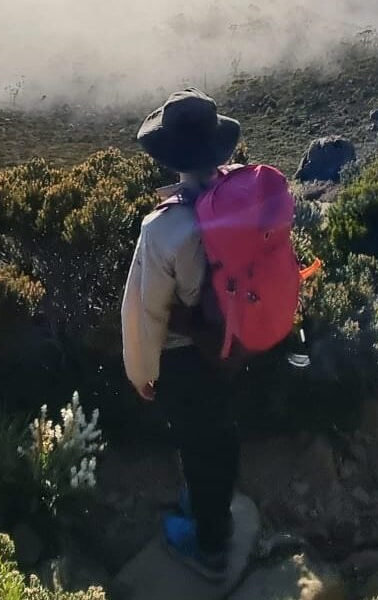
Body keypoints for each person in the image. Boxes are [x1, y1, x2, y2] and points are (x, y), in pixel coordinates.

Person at [122, 88, 242, 579]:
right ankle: (221, 511)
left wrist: (142, 373)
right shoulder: (242, 194)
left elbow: (147, 313)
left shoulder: (163, 228)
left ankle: (210, 546)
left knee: (197, 446)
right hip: (237, 343)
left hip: (188, 357)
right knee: (223, 433)